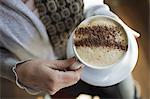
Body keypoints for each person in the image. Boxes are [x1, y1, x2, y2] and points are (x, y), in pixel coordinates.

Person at [0, 0, 140, 98]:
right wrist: (15, 70)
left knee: (126, 95)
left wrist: (102, 14)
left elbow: (91, 2)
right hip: (47, 74)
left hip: (110, 62)